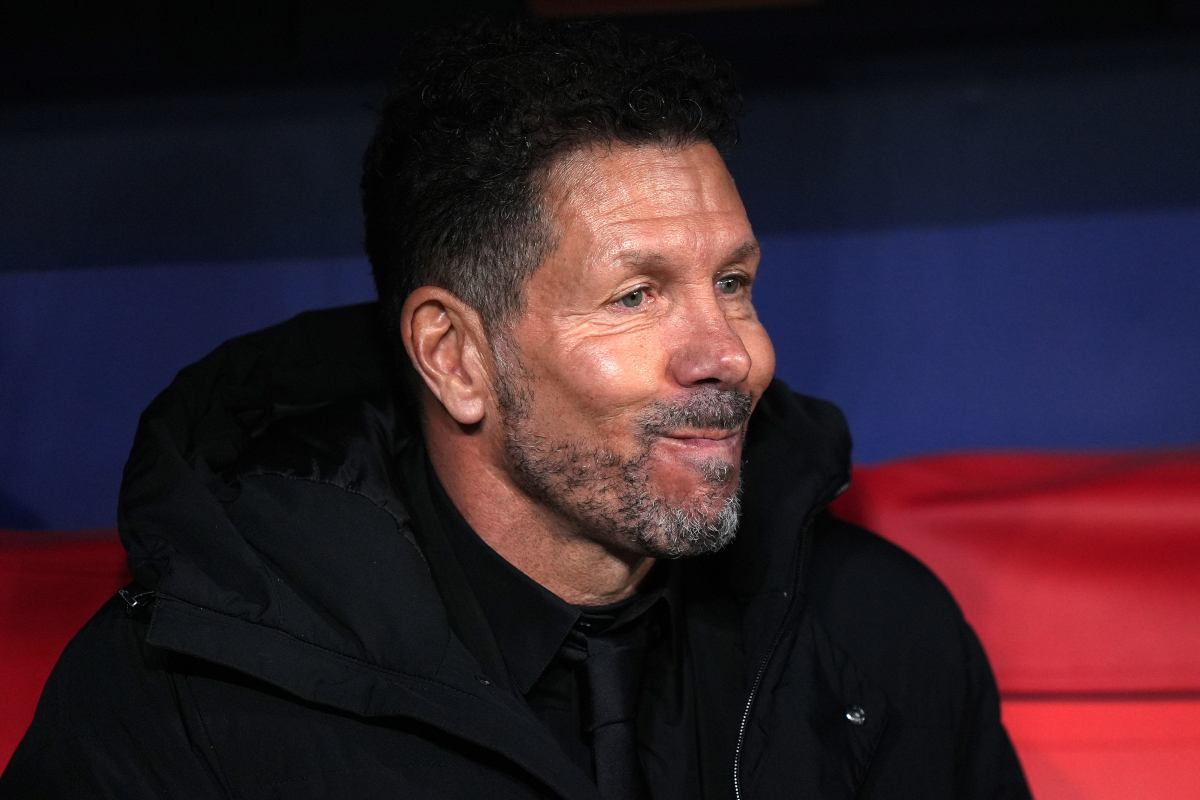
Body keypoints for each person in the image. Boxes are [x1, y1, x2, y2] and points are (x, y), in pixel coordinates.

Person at [1, 18, 1030, 800]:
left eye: (733, 282)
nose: (730, 354)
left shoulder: (879, 631)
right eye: (636, 296)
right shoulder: (182, 700)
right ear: (456, 357)